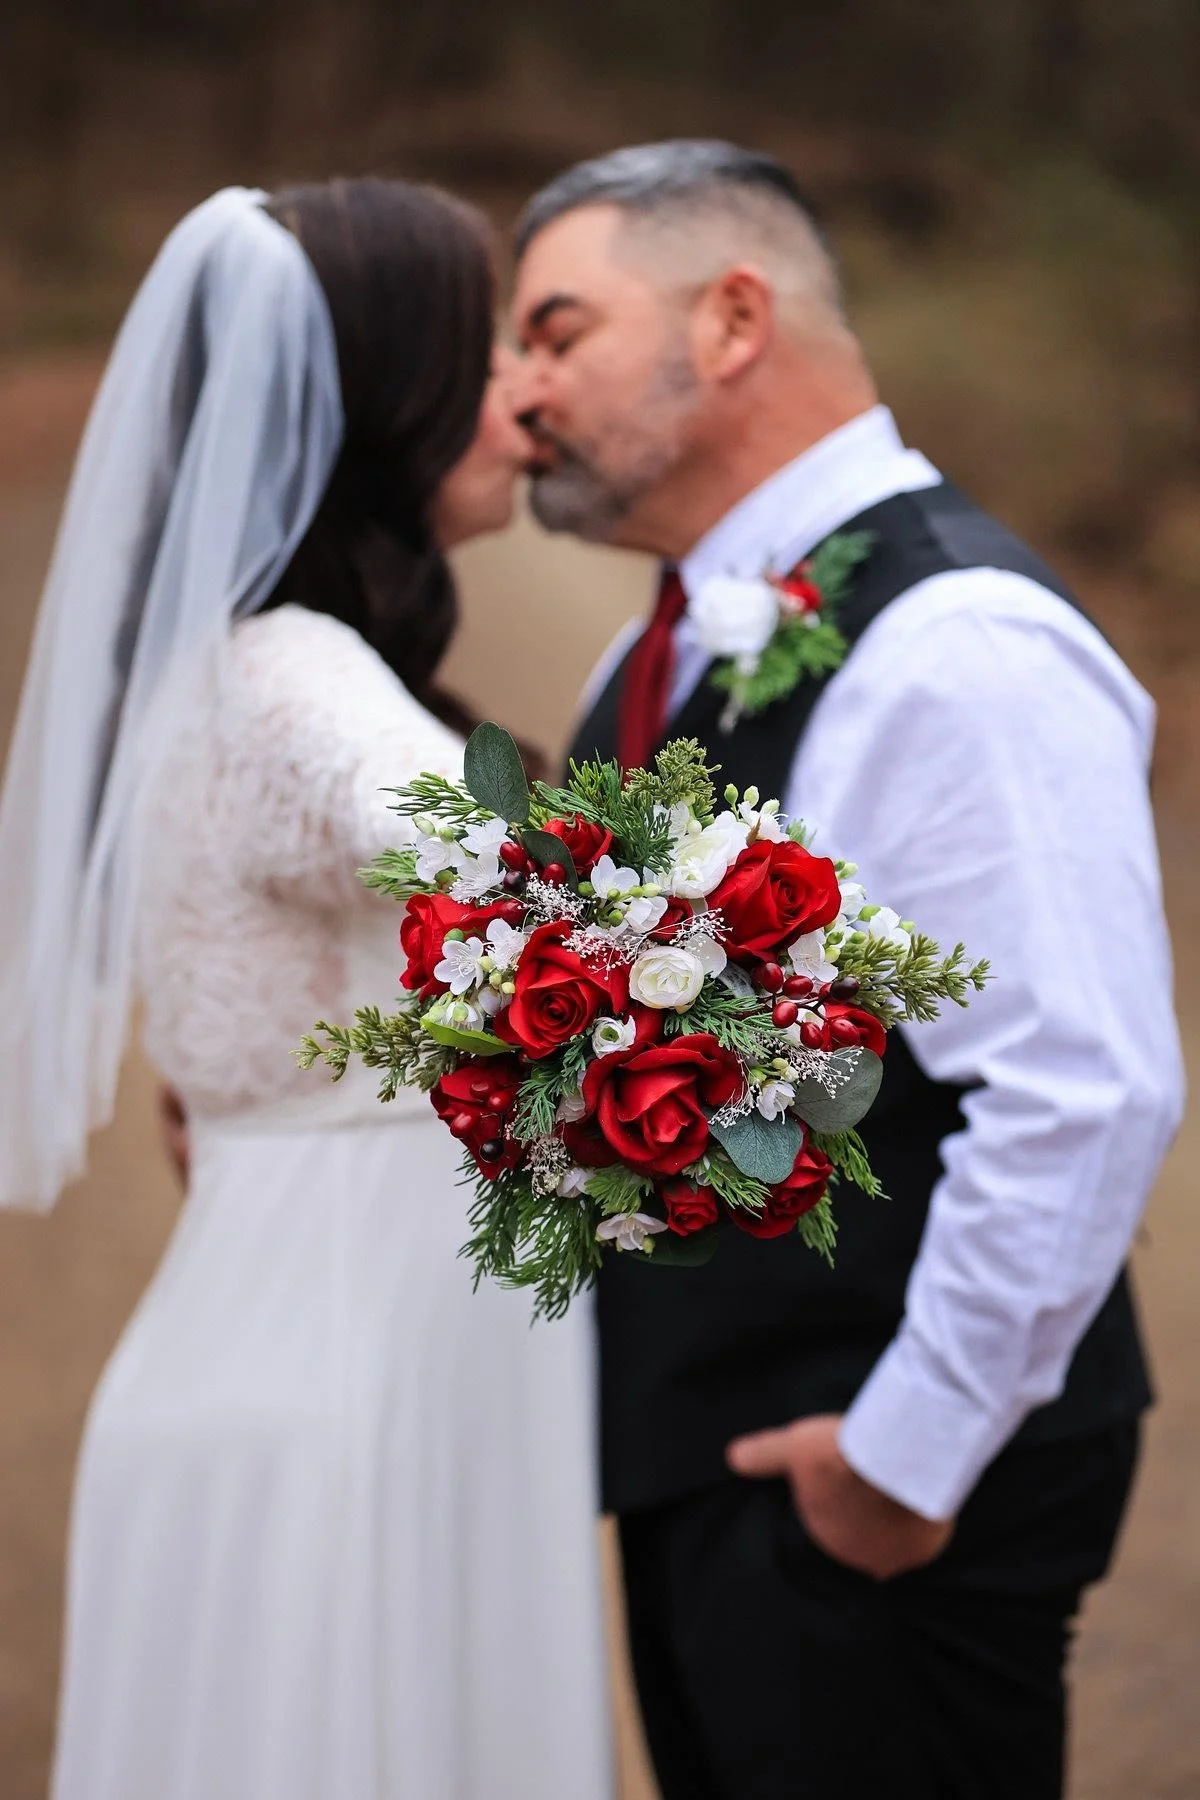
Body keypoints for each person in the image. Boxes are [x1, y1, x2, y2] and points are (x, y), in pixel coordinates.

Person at [509, 140, 1185, 1800]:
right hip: (716, 1462)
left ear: (732, 319)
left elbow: (1081, 1090)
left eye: (558, 332)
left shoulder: (958, 645)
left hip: (872, 1496)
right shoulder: (656, 647)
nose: (519, 393)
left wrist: (899, 1460)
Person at [0, 180, 612, 1800]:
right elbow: (586, 935)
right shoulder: (295, 681)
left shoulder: (223, 664)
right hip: (360, 1393)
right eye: (482, 351)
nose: (520, 392)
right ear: (388, 398)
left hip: (291, 1353)